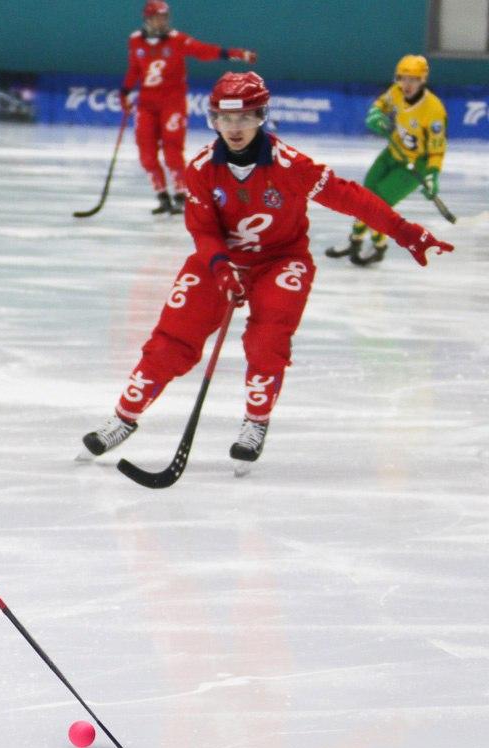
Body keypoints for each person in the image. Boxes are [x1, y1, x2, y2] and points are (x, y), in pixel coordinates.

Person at [80, 73, 453, 472]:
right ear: (213, 120)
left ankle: (255, 423)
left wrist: (405, 232)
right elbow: (202, 230)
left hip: (282, 260)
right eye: (224, 119)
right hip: (220, 261)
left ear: (261, 117)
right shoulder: (202, 168)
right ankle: (123, 418)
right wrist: (221, 267)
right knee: (173, 337)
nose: (233, 128)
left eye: (244, 118)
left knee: (266, 339)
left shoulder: (291, 165)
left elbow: (350, 197)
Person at [120, 0, 257, 215]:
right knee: (146, 153)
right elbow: (134, 70)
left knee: (172, 151)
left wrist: (237, 53)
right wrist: (125, 92)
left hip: (171, 103)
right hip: (146, 104)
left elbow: (205, 51)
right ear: (148, 18)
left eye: (165, 17)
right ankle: (162, 194)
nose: (162, 21)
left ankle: (181, 194)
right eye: (158, 17)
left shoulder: (177, 40)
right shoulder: (135, 40)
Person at [327, 55, 447, 266]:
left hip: (414, 164)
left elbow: (437, 150)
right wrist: (375, 115)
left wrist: (432, 175)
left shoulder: (434, 110)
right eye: (403, 78)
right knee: (363, 196)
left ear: (422, 80)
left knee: (377, 203)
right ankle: (355, 240)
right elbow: (382, 104)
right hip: (392, 152)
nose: (407, 84)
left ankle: (378, 246)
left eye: (413, 79)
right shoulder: (396, 91)